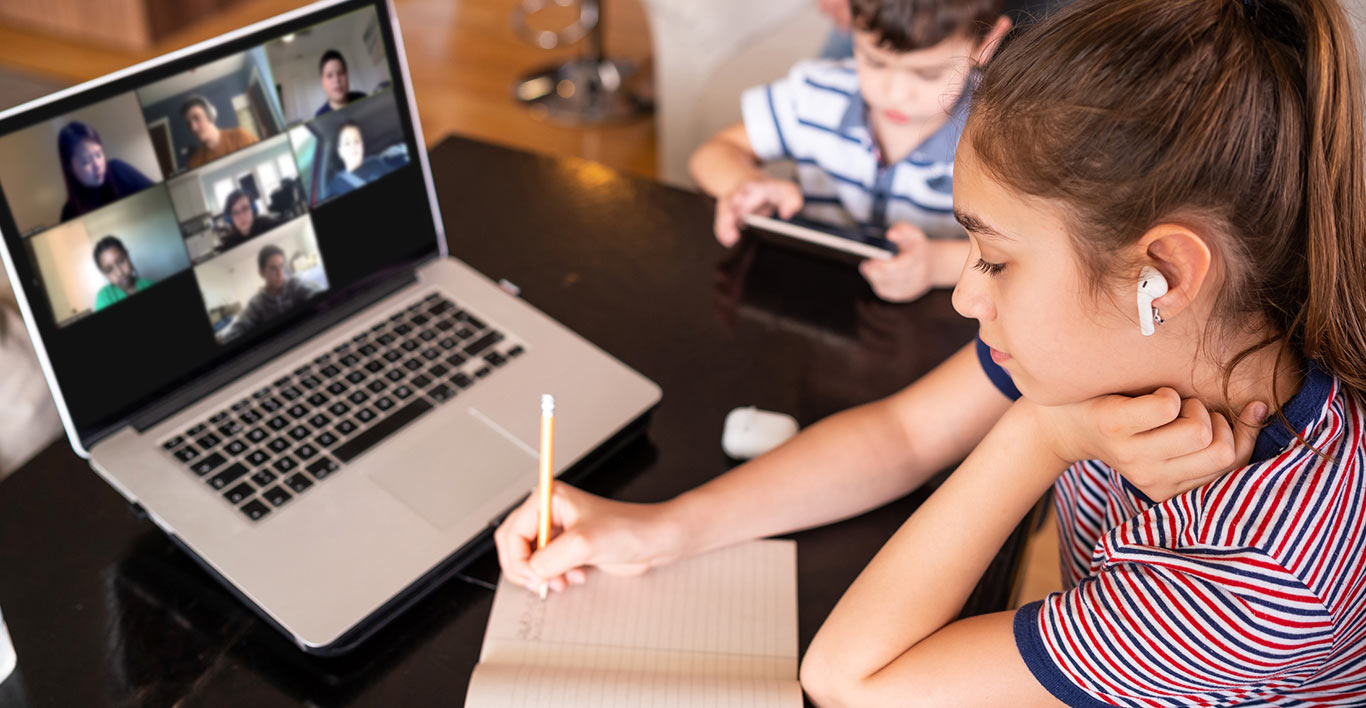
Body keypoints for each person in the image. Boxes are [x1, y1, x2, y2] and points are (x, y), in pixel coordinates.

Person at [497, 0, 1366, 703]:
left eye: (993, 256)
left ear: (1162, 273)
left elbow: (849, 677)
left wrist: (1041, 436)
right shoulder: (1145, 343)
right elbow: (904, 435)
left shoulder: (1260, 580)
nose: (964, 291)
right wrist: (658, 531)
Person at [689, 0, 1011, 303]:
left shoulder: (1001, 135)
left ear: (986, 43)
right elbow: (714, 152)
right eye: (874, 61)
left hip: (938, 320)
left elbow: (1021, 251)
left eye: (926, 74)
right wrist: (744, 184)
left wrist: (935, 265)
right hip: (808, 297)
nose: (894, 93)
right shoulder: (817, 93)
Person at [57, 122, 153, 222]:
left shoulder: (118, 169)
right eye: (85, 161)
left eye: (98, 155)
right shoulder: (69, 213)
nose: (97, 165)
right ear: (70, 168)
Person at [222, 244, 321, 339]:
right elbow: (240, 328)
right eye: (273, 268)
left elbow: (315, 294)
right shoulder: (256, 304)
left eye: (281, 266)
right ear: (262, 273)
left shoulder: (294, 284)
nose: (280, 273)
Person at [182, 96, 258, 170]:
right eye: (189, 123)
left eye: (197, 118)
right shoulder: (195, 163)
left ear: (210, 115)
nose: (193, 128)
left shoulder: (239, 136)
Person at [324, 121, 395, 199]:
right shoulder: (335, 187)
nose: (353, 146)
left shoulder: (375, 163)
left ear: (362, 145)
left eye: (357, 141)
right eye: (347, 143)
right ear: (340, 152)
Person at [91, 236, 152, 311]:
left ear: (127, 256)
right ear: (104, 274)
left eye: (121, 261)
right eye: (109, 270)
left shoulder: (149, 284)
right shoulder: (104, 297)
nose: (119, 273)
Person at [315, 49, 368, 117]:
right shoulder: (320, 117)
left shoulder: (362, 98)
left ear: (347, 76)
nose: (336, 80)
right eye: (329, 76)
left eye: (341, 73)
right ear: (323, 83)